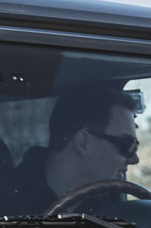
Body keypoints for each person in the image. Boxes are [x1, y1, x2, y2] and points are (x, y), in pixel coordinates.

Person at [12, 87, 142, 211]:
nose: (134, 159)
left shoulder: (107, 207)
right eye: (126, 145)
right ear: (83, 142)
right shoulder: (6, 201)